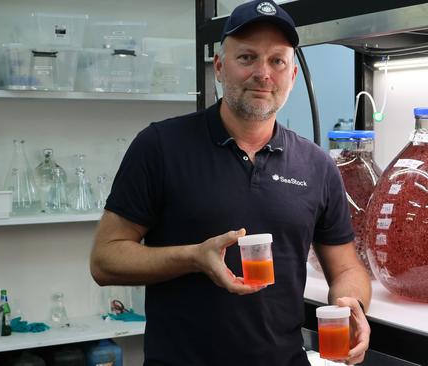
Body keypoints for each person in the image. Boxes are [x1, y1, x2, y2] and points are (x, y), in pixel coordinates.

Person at [90, 1, 371, 365]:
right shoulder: (160, 146)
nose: (263, 73)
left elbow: (347, 268)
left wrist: (351, 304)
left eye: (277, 61)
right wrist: (193, 257)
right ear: (220, 67)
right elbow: (105, 259)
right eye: (247, 58)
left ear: (293, 77)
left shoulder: (317, 165)